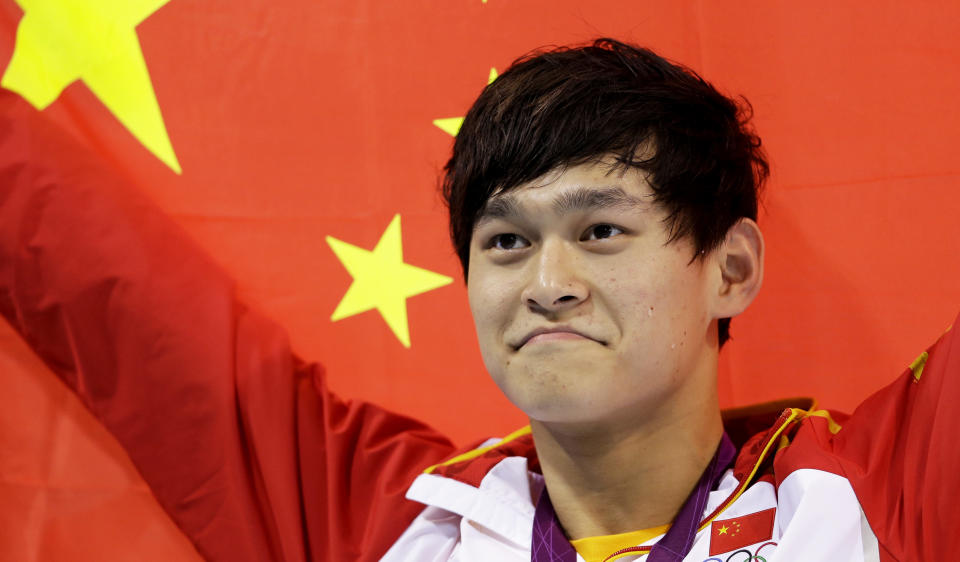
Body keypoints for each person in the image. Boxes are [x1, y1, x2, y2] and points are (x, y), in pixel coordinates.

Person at [0, 39, 955, 562]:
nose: (546, 285)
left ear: (730, 269)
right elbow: (104, 285)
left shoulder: (874, 502)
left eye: (600, 232)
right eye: (505, 242)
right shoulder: (380, 523)